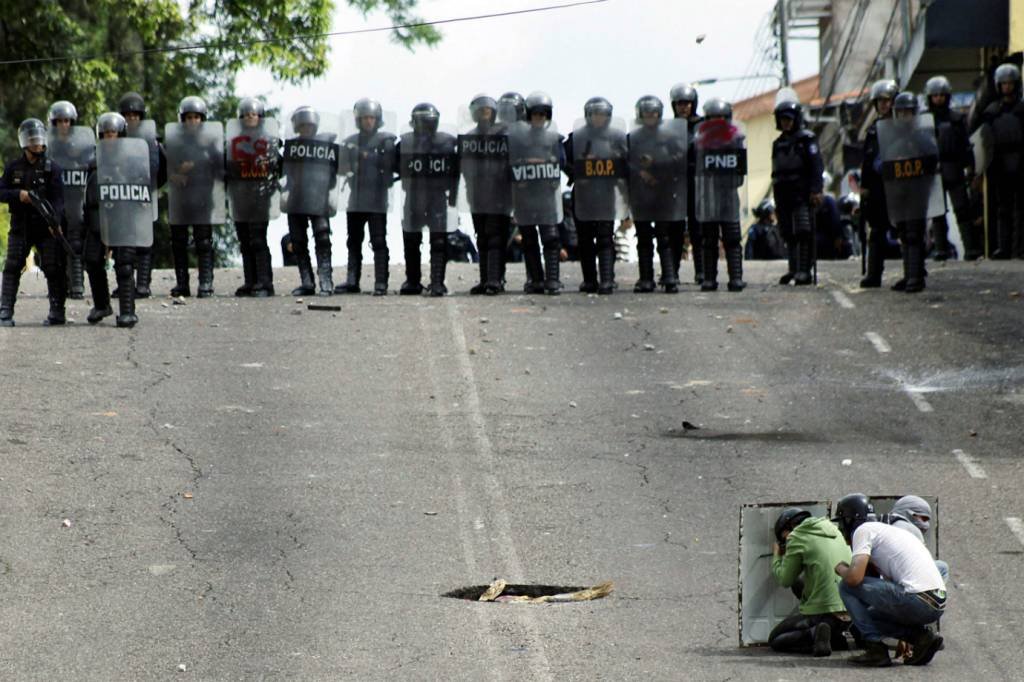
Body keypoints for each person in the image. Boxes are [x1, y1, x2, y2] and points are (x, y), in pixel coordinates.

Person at [833, 493, 946, 667]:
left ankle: (875, 648)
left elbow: (854, 579)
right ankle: (921, 637)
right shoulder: (888, 532)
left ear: (850, 520)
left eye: (841, 522)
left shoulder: (863, 530)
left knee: (846, 587)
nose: (840, 529)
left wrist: (841, 568)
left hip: (918, 599)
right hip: (936, 604)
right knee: (870, 618)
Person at [84, 112, 153, 327]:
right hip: (99, 219)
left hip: (125, 219)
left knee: (124, 265)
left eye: (112, 134)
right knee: (92, 259)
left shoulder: (134, 160)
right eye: (104, 134)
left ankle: (127, 311)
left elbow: (142, 190)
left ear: (121, 134)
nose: (108, 138)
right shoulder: (94, 162)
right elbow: (89, 196)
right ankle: (102, 304)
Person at [0, 119, 66, 326]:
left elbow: (58, 200)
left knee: (53, 267)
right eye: (33, 140)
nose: (38, 143)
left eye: (39, 139)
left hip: (45, 227)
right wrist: (18, 195)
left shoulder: (52, 168)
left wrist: (54, 221)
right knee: (12, 267)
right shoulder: (13, 168)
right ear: (25, 142)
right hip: (21, 225)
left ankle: (57, 311)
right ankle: (5, 311)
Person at [769, 507, 852, 656]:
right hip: (850, 611)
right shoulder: (834, 529)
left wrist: (777, 555)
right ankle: (835, 637)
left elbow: (785, 579)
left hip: (824, 614)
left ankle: (814, 634)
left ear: (790, 527)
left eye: (784, 538)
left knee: (776, 639)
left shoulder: (796, 536)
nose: (785, 542)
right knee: (801, 582)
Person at [566, 96, 628, 294]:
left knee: (604, 237)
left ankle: (607, 280)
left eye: (602, 115)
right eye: (595, 115)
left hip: (606, 193)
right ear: (588, 116)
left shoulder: (617, 138)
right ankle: (590, 280)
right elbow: (563, 161)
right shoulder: (576, 138)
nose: (598, 118)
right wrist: (577, 171)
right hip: (583, 193)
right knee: (584, 238)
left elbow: (628, 162)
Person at [396, 103, 459, 296]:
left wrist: (453, 198)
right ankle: (413, 280)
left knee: (439, 240)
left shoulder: (448, 143)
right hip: (414, 196)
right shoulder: (405, 142)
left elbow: (455, 171)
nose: (425, 125)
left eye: (428, 121)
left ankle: (437, 282)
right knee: (411, 239)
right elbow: (393, 165)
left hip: (437, 196)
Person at [336, 98, 397, 296]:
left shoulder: (387, 141)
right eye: (364, 118)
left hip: (377, 198)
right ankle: (352, 280)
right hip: (355, 198)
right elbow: (342, 169)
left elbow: (392, 168)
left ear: (377, 119)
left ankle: (381, 282)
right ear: (358, 120)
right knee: (353, 241)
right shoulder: (350, 143)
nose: (368, 121)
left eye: (371, 117)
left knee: (378, 241)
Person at [165, 96, 224, 298]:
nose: (193, 121)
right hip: (180, 198)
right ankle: (182, 283)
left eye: (196, 117)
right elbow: (165, 171)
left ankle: (206, 282)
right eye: (189, 117)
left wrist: (203, 164)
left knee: (204, 242)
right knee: (178, 242)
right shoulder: (173, 143)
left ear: (202, 119)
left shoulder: (210, 144)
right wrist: (177, 173)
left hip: (203, 198)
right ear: (183, 119)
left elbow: (220, 172)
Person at [628, 95, 687, 293]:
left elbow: (680, 161)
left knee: (665, 236)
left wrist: (657, 165)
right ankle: (646, 278)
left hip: (664, 190)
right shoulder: (633, 138)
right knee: (644, 238)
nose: (650, 117)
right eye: (646, 114)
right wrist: (641, 172)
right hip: (641, 193)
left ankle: (670, 276)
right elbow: (626, 162)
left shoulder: (669, 137)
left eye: (653, 113)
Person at [507, 92, 565, 294]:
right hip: (525, 196)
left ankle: (553, 280)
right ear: (528, 115)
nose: (539, 118)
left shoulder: (553, 138)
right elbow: (510, 164)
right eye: (536, 114)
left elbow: (562, 162)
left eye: (543, 114)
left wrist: (547, 162)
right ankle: (536, 279)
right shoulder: (518, 139)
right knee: (529, 240)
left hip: (547, 195)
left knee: (550, 238)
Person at [281, 106, 338, 296]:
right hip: (296, 197)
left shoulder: (326, 145)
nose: (306, 129)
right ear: (297, 127)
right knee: (298, 241)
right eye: (303, 126)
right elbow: (284, 173)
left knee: (323, 237)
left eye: (309, 125)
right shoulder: (291, 148)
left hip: (318, 197)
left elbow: (334, 175)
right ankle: (307, 281)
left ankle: (326, 280)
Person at [458, 94, 511, 295]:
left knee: (496, 237)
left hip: (499, 193)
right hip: (476, 194)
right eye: (481, 111)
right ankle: (484, 279)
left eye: (487, 111)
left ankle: (495, 280)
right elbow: (462, 165)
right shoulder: (469, 137)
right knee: (482, 237)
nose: (484, 114)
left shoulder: (504, 134)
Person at [225, 97, 278, 297]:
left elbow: (276, 167)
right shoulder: (233, 143)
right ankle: (250, 280)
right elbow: (226, 167)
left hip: (260, 196)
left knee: (258, 239)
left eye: (254, 114)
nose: (250, 118)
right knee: (245, 240)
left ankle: (265, 282)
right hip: (240, 196)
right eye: (246, 115)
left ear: (260, 117)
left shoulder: (269, 141)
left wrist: (269, 189)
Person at [694, 98, 745, 291]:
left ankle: (736, 278)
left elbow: (740, 173)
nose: (717, 122)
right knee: (708, 241)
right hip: (708, 196)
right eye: (713, 118)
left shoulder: (736, 139)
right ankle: (709, 278)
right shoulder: (699, 141)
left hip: (729, 195)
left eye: (720, 118)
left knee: (732, 239)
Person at [771, 93, 823, 285]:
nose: (786, 123)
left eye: (789, 119)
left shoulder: (806, 139)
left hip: (802, 193)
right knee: (788, 232)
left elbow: (816, 166)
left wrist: (816, 190)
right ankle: (793, 269)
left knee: (803, 231)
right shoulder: (778, 144)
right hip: (783, 194)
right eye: (782, 119)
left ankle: (804, 270)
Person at [118, 91, 166, 298]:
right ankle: (125, 285)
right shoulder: (114, 136)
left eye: (135, 115)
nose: (132, 119)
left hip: (143, 194)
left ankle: (143, 284)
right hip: (120, 196)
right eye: (128, 116)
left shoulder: (151, 140)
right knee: (122, 242)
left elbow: (156, 168)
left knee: (144, 242)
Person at [925, 75, 976, 261]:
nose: (938, 98)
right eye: (935, 95)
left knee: (962, 210)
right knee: (938, 213)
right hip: (934, 170)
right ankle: (941, 249)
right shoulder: (924, 121)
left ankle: (970, 248)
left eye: (942, 95)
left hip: (954, 166)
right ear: (929, 97)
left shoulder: (956, 119)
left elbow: (966, 144)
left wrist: (970, 167)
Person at [47, 100, 92, 300]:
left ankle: (77, 285)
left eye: (67, 121)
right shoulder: (46, 146)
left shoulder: (82, 146)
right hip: (55, 203)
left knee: (75, 243)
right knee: (55, 246)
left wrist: (79, 160)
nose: (64, 125)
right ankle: (59, 287)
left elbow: (93, 166)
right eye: (59, 121)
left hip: (75, 201)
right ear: (53, 123)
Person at [980, 63, 1024, 259]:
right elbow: (984, 139)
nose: (1007, 87)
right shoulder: (991, 111)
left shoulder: (1022, 109)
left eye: (1010, 83)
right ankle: (1004, 247)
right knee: (1002, 208)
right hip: (999, 162)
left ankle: (1020, 248)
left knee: (1021, 209)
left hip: (1021, 159)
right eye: (1003, 83)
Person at [860, 80, 898, 287]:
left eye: (887, 100)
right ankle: (874, 274)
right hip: (877, 186)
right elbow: (867, 159)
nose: (884, 105)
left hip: (900, 183)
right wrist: (864, 187)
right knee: (876, 230)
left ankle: (914, 272)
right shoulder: (873, 129)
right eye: (880, 101)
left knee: (907, 229)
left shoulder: (902, 124)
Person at [669, 83, 703, 285]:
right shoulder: (668, 128)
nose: (683, 107)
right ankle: (672, 272)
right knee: (675, 230)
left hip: (697, 183)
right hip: (675, 184)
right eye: (679, 104)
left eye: (687, 103)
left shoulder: (702, 127)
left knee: (698, 230)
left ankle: (701, 272)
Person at [881, 495, 948, 581]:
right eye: (923, 518)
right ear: (911, 513)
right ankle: (932, 594)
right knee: (942, 567)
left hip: (886, 576)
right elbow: (924, 562)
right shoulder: (909, 528)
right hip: (906, 578)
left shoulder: (884, 525)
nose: (926, 524)